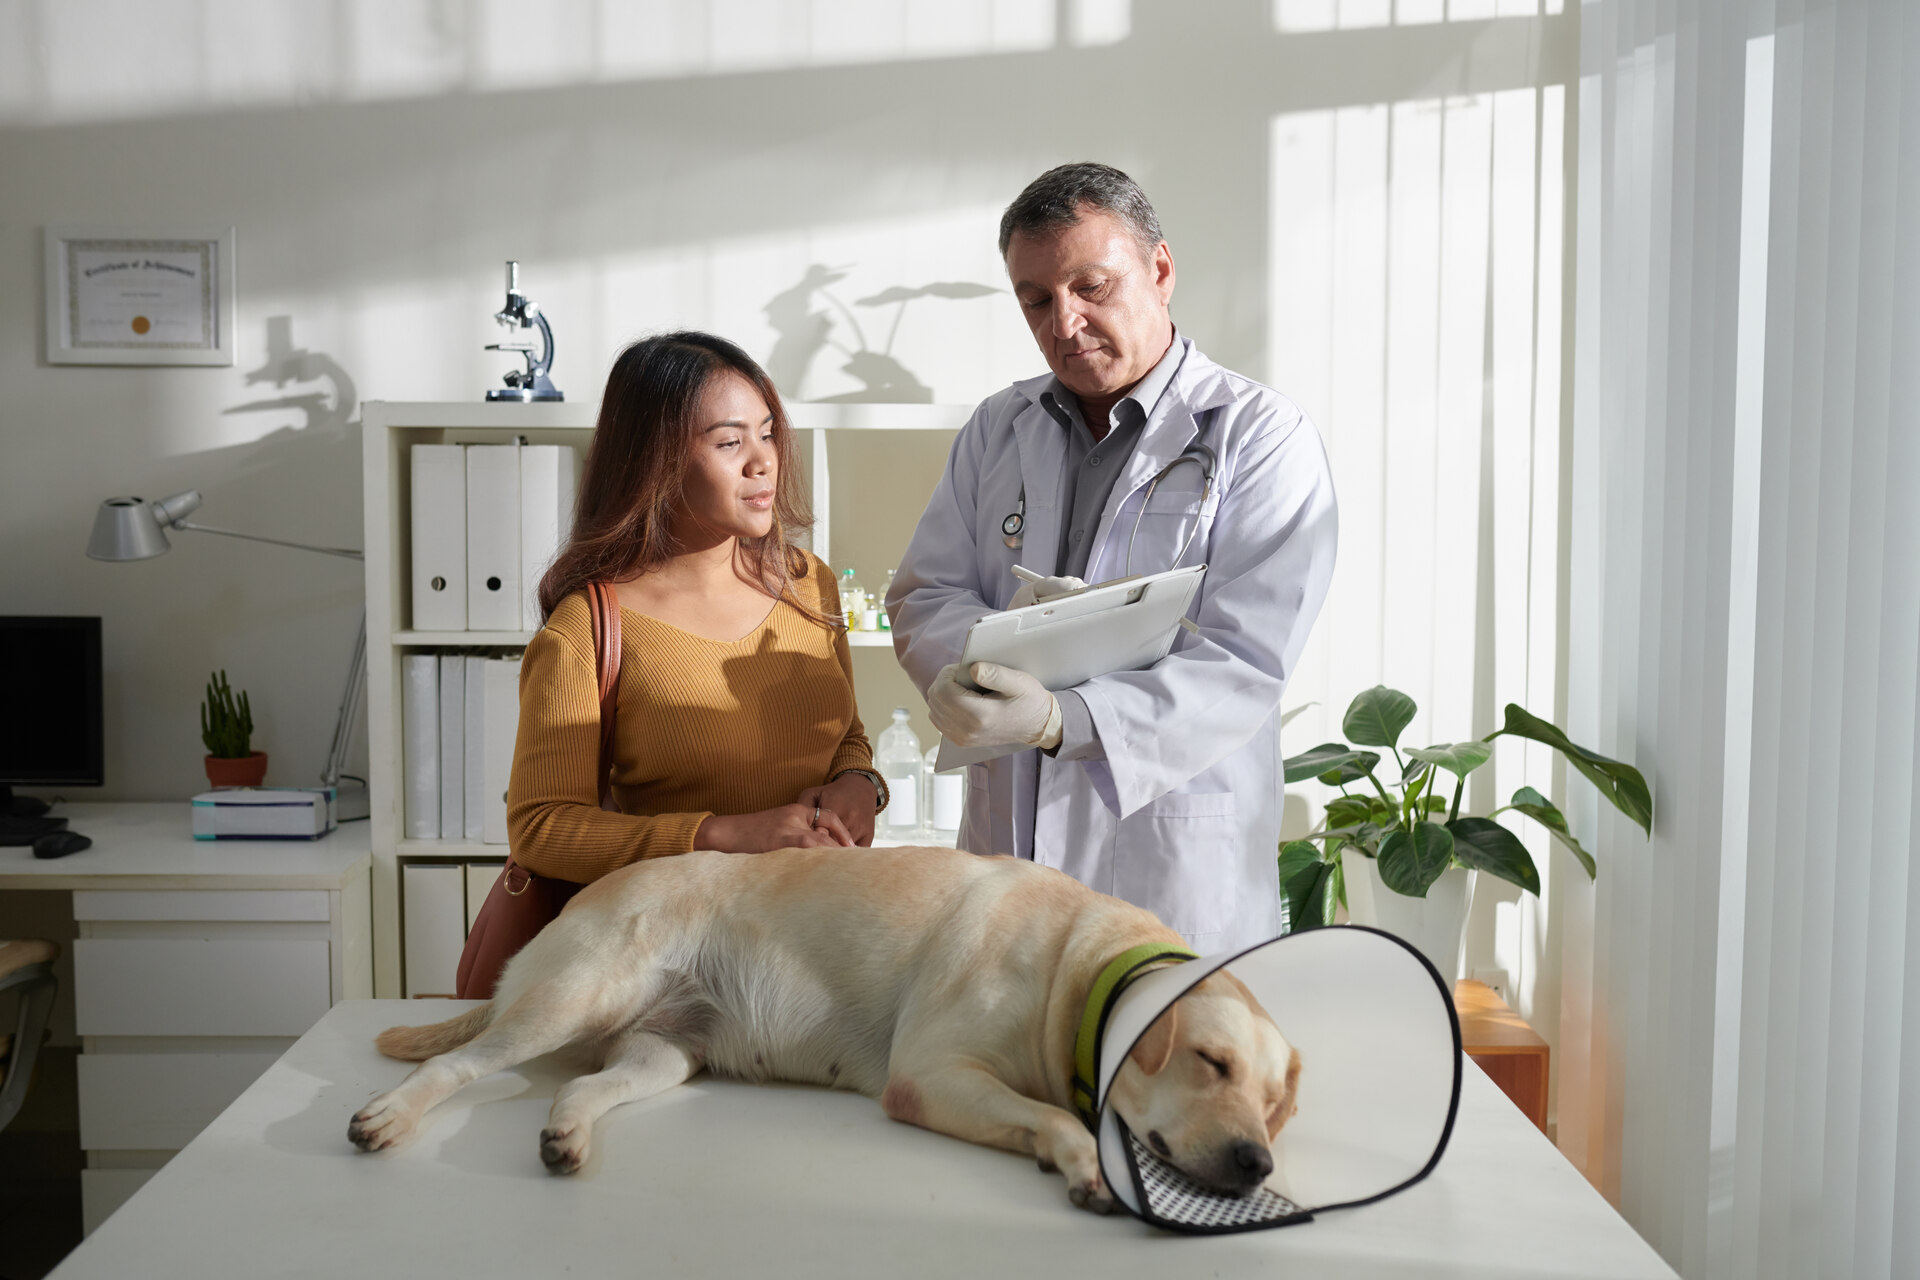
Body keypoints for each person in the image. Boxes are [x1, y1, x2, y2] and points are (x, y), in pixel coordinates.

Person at [886, 163, 1338, 953]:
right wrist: (975, 666)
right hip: (1008, 870)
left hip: (1171, 871)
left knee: (1164, 1065)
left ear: (1159, 270)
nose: (1064, 323)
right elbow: (926, 594)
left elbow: (1244, 659)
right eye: (1036, 299)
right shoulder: (999, 429)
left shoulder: (1260, 437)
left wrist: (1068, 719)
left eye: (1091, 286)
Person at [507, 331, 888, 882]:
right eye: (729, 443)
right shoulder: (586, 630)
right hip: (681, 943)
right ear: (655, 460)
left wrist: (861, 783)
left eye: (767, 433)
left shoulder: (808, 584)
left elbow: (845, 734)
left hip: (816, 925)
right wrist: (725, 835)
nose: (763, 462)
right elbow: (542, 829)